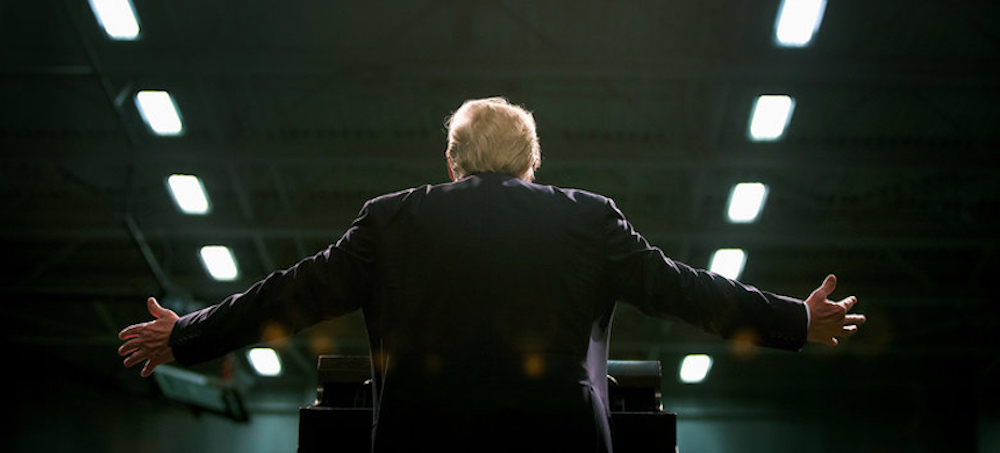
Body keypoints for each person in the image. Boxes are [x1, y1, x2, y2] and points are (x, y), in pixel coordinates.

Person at [118, 97, 866, 452]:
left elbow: (289, 294)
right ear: (534, 165)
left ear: (450, 162)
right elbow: (689, 291)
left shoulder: (392, 218)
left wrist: (186, 335)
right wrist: (794, 319)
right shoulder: (588, 217)